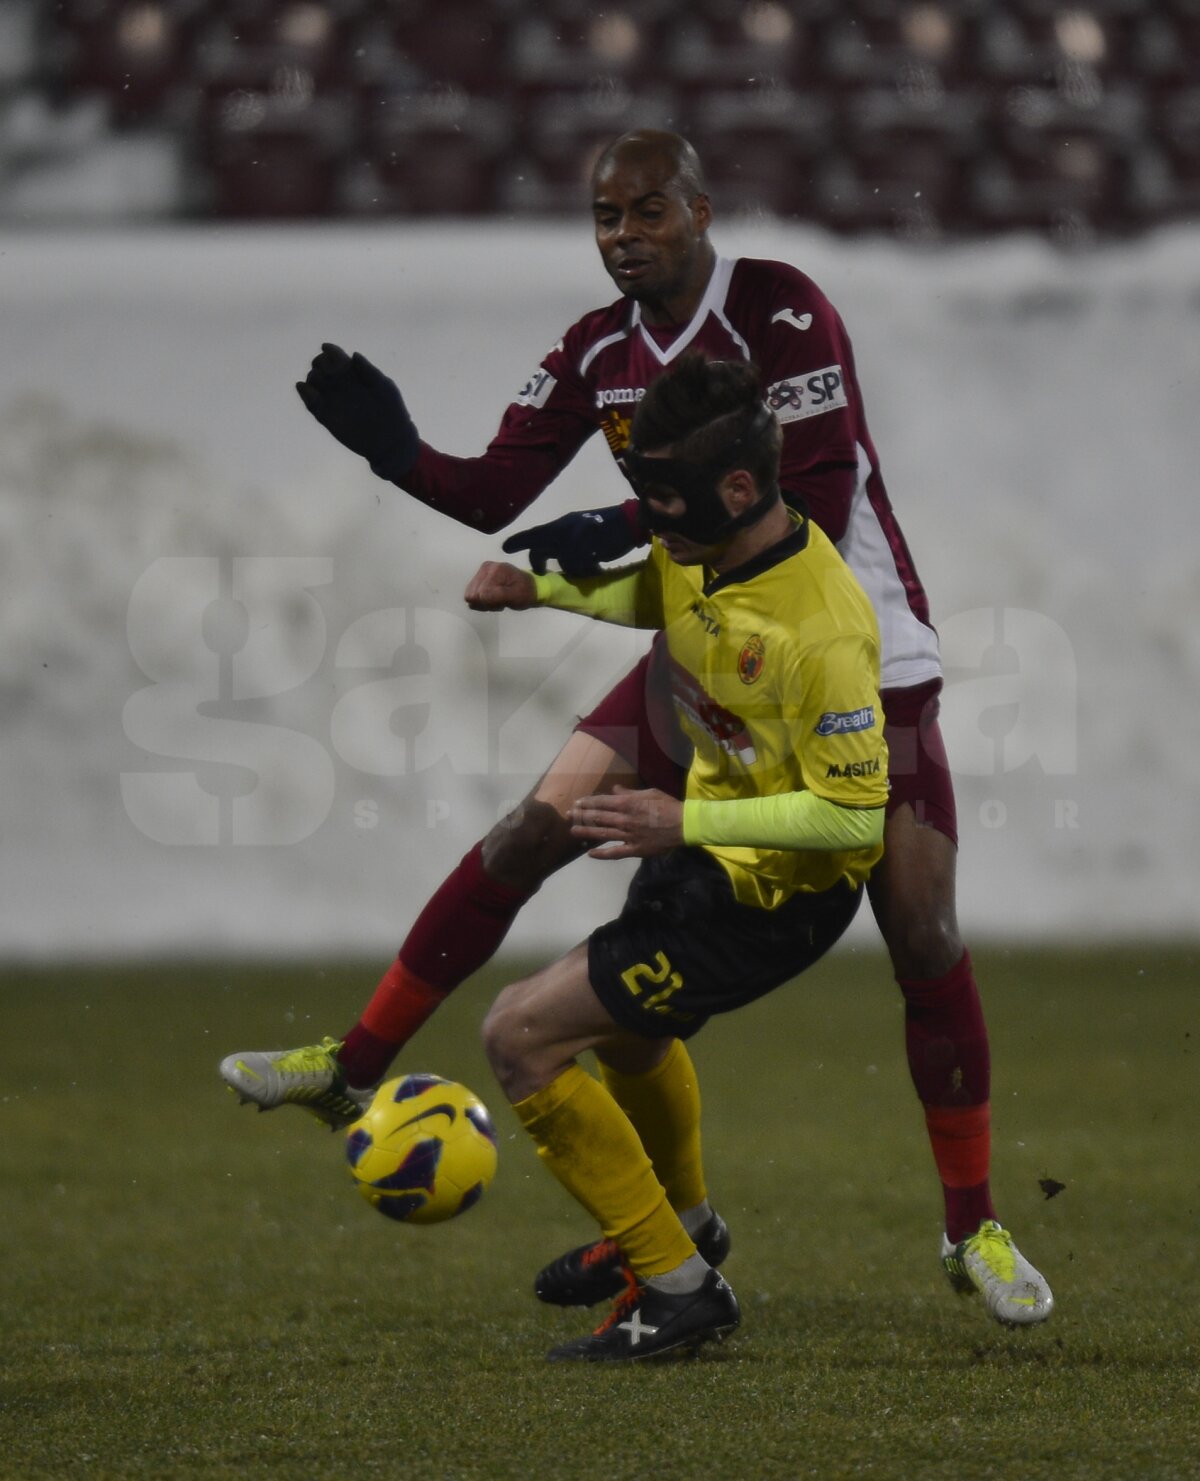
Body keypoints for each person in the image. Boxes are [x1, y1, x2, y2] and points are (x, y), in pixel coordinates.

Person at [220, 130, 1052, 1329]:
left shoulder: (779, 313)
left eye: (647, 211)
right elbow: (498, 494)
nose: (624, 235)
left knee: (923, 931)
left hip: (852, 651)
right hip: (705, 643)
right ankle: (351, 1068)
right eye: (606, 217)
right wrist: (398, 454)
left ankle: (970, 1225)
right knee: (529, 831)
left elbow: (802, 496)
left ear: (700, 209)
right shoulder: (597, 350)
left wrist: (620, 514)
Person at [486, 352, 893, 1357]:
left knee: (519, 1035)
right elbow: (654, 595)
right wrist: (538, 589)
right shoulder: (701, 540)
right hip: (704, 855)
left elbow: (857, 821)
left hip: (771, 899)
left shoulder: (825, 628)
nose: (648, 513)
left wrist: (684, 824)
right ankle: (687, 1228)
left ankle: (676, 1288)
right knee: (627, 1038)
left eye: (661, 494)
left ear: (741, 485)